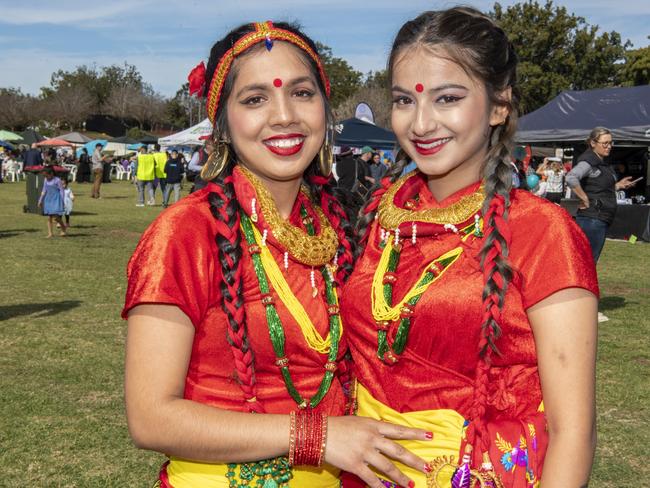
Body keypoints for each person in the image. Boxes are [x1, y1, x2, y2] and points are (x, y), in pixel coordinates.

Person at [123, 20, 430, 488]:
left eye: (302, 94)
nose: (284, 115)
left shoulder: (348, 228)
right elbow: (151, 418)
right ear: (222, 122)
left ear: (326, 110)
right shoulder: (185, 232)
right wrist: (315, 435)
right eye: (255, 99)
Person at [343, 7, 599, 488]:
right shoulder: (379, 217)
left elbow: (574, 431)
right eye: (403, 100)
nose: (421, 123)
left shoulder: (541, 231)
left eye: (448, 98)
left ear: (500, 106)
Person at [566, 127, 639, 263]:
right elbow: (571, 177)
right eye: (605, 143)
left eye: (611, 143)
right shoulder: (588, 161)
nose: (609, 146)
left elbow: (599, 188)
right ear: (593, 143)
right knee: (586, 263)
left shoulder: (601, 162)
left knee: (588, 262)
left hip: (599, 218)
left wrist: (617, 186)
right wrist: (583, 197)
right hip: (592, 218)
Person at [38, 167, 67, 238]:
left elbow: (61, 191)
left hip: (56, 199)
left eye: (46, 175)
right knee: (49, 217)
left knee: (56, 217)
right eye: (44, 176)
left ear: (51, 173)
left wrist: (62, 201)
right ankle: (50, 233)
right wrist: (40, 200)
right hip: (48, 199)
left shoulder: (57, 180)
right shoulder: (45, 180)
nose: (46, 177)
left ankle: (63, 228)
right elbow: (44, 190)